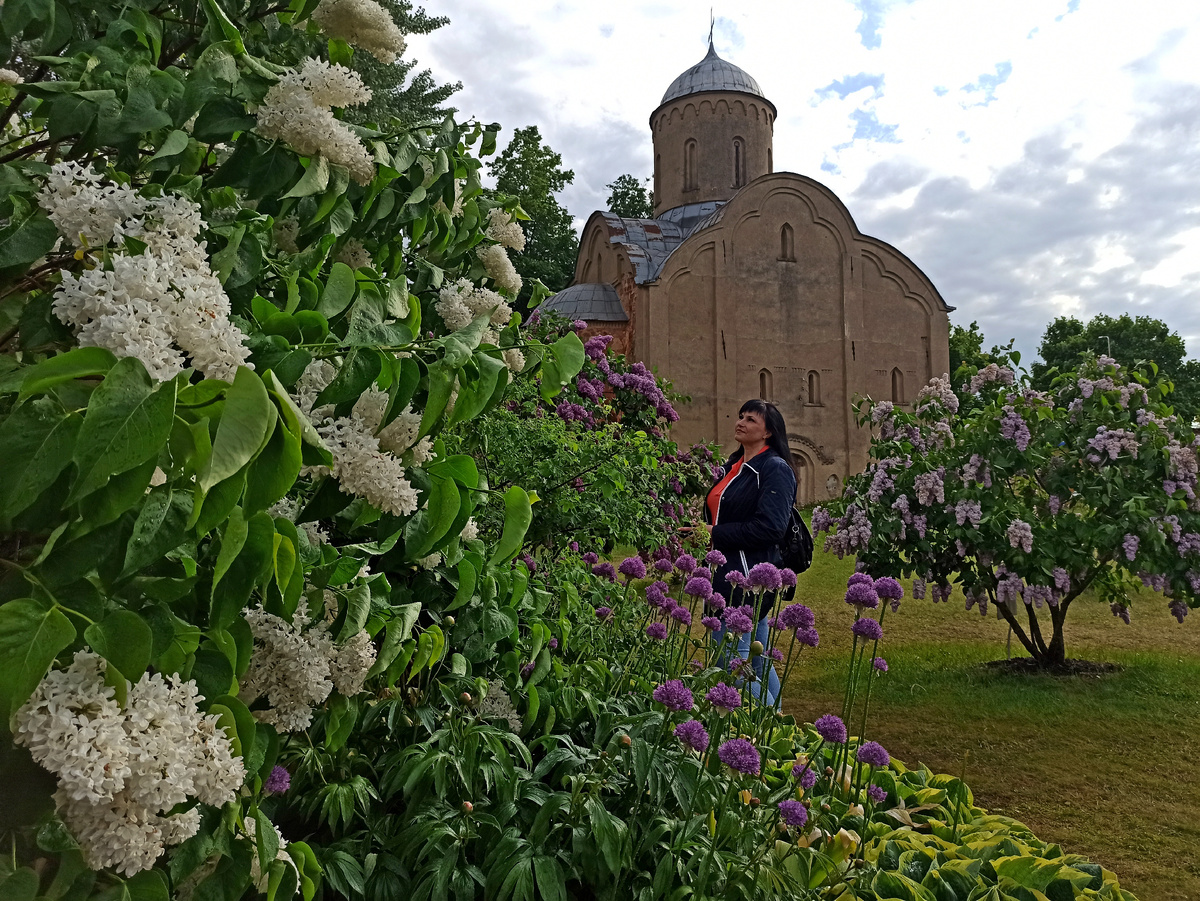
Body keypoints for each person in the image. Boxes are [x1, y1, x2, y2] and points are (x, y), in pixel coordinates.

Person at [702, 399, 797, 706]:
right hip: (726, 573)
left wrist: (714, 533)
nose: (740, 422)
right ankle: (782, 734)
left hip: (745, 579)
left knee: (730, 667)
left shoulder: (774, 469)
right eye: (740, 416)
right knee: (755, 662)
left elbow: (771, 527)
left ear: (768, 432)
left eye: (751, 420)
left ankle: (766, 732)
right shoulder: (735, 467)